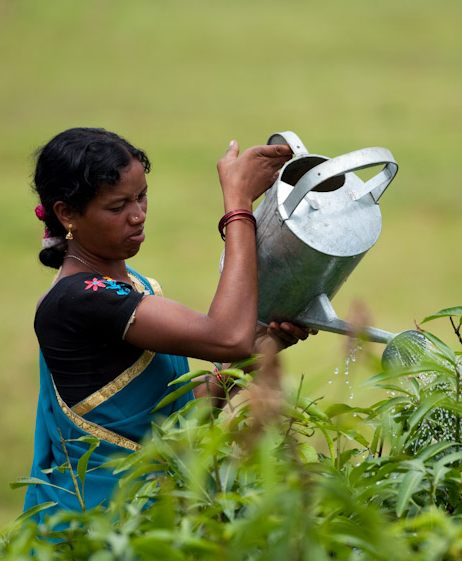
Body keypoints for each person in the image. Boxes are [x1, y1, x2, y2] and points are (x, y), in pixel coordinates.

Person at [24, 127, 309, 526]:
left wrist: (265, 346)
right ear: (66, 213)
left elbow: (171, 417)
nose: (138, 215)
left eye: (141, 197)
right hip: (104, 533)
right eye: (117, 206)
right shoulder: (82, 299)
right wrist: (238, 203)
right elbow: (228, 336)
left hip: (153, 520)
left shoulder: (128, 285)